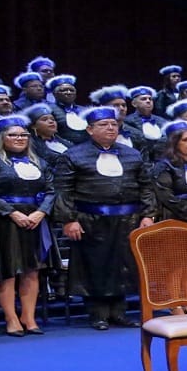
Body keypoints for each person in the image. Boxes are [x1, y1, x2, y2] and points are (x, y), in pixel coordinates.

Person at [52, 106, 157, 330]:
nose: (110, 128)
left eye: (113, 124)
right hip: (91, 220)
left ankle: (119, 313)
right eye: (103, 125)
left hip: (128, 220)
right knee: (95, 267)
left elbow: (146, 187)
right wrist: (69, 219)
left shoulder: (132, 154)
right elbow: (63, 190)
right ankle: (98, 314)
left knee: (123, 267)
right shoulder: (73, 155)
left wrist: (148, 214)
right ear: (90, 129)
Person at [0, 115, 56, 336]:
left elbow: (51, 190)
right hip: (5, 221)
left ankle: (29, 318)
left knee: (32, 271)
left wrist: (41, 212)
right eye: (13, 135)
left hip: (35, 220)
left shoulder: (39, 162)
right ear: (2, 138)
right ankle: (11, 318)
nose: (19, 138)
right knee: (8, 270)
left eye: (23, 134)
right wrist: (13, 213)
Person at [152, 121, 187, 225]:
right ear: (174, 143)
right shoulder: (164, 166)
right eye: (186, 140)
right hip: (176, 217)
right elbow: (166, 196)